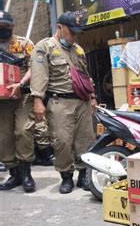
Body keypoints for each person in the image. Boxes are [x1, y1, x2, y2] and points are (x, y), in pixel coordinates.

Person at [30, 12, 96, 194]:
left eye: (77, 32)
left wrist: (93, 97)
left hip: (82, 101)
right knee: (62, 141)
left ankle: (84, 174)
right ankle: (66, 176)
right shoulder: (44, 47)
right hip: (60, 101)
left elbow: (86, 76)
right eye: (71, 31)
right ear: (60, 27)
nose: (74, 36)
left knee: (85, 139)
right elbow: (38, 75)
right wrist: (37, 100)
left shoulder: (78, 50)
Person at [0, 10, 37, 193]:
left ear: (12, 26)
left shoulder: (24, 44)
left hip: (23, 96)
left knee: (23, 131)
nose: (2, 30)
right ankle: (14, 173)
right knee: (4, 137)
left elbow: (34, 66)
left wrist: (21, 83)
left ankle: (26, 173)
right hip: (2, 100)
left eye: (5, 27)